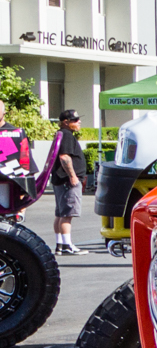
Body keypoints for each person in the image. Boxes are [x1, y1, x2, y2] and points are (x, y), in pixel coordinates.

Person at [50, 108, 86, 254]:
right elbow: (64, 157)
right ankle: (67, 245)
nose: (79, 122)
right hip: (66, 181)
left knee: (60, 213)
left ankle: (60, 244)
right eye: (75, 120)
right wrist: (72, 176)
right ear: (66, 122)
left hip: (60, 180)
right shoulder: (67, 135)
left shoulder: (61, 134)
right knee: (67, 214)